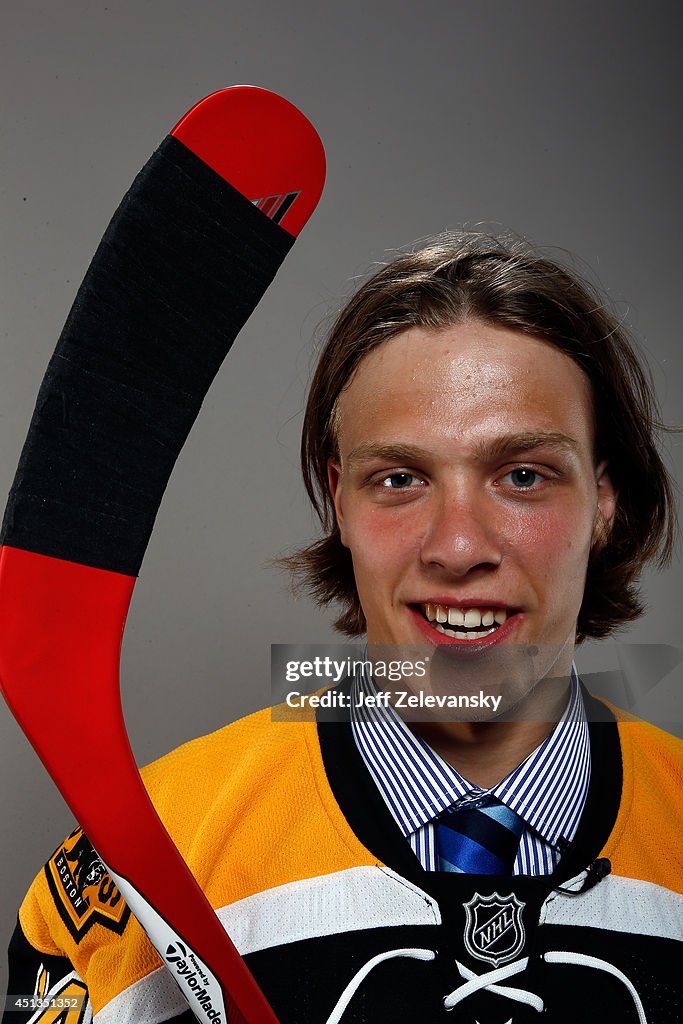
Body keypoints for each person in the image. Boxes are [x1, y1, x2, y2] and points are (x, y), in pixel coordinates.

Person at [4, 233, 682, 1024]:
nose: (458, 547)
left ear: (603, 500)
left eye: (522, 475)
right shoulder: (144, 860)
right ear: (339, 503)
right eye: (398, 479)